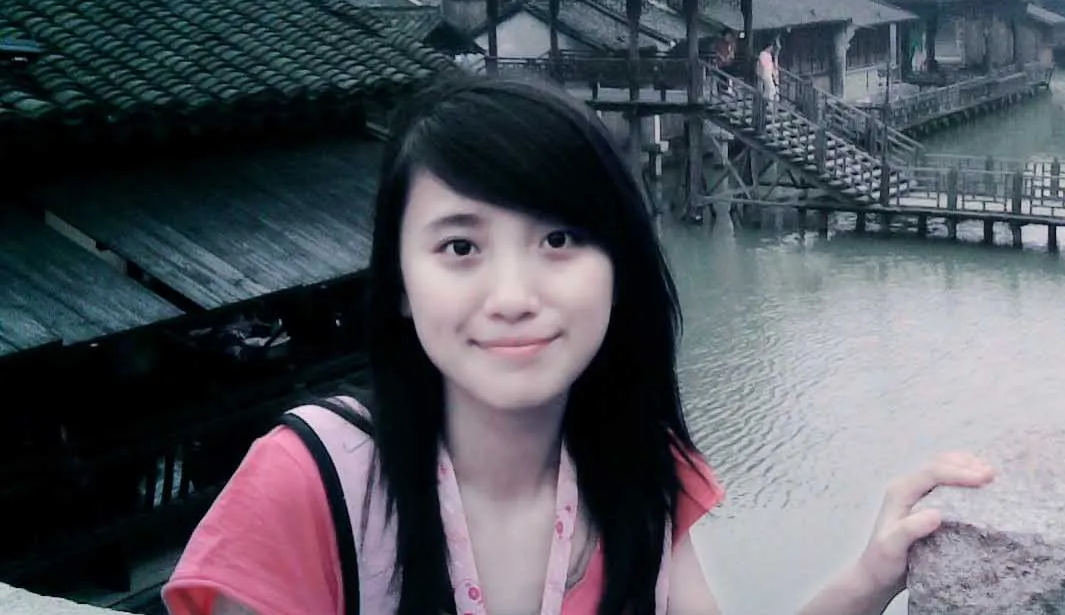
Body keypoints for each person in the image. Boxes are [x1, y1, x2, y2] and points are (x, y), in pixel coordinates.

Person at [163, 72, 993, 615]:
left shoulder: (637, 469)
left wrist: (868, 578)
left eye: (559, 239)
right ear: (402, 286)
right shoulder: (311, 484)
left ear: (618, 266)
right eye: (460, 246)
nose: (513, 297)